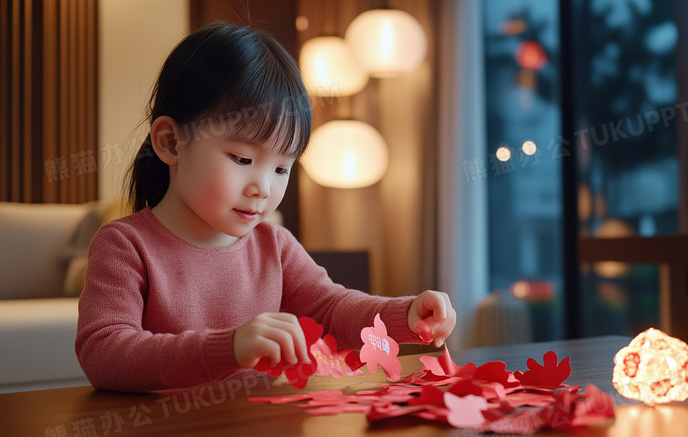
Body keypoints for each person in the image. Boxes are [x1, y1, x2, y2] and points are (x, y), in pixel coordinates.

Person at [75, 23, 456, 393]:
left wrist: (406, 314)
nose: (263, 187)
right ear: (171, 142)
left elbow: (331, 309)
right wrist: (230, 347)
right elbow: (104, 353)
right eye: (241, 159)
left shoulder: (273, 244)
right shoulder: (124, 245)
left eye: (281, 168)